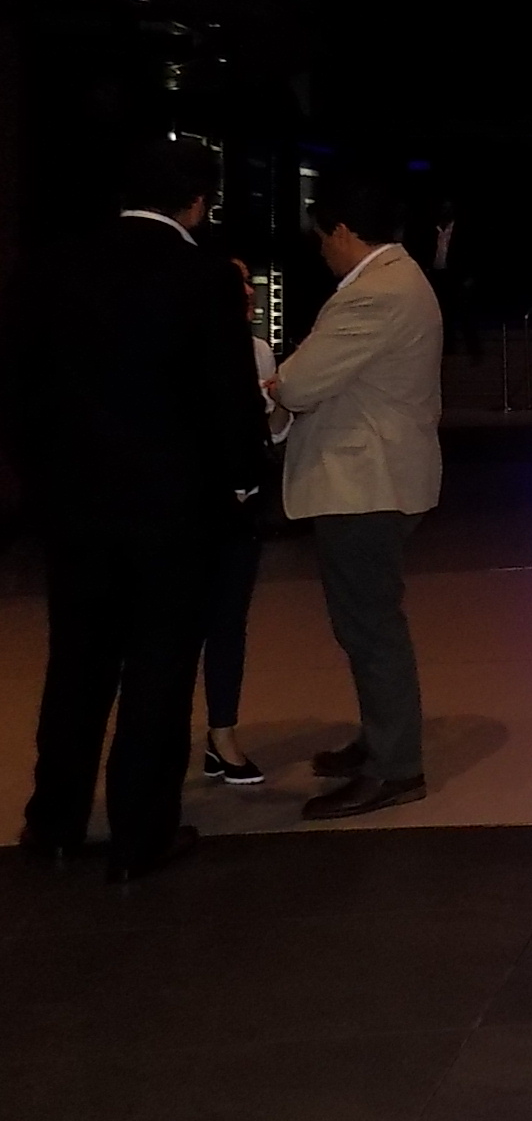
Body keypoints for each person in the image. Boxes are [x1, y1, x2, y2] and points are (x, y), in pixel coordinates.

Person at [4, 140, 267, 880]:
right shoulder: (202, 276)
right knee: (159, 668)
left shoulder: (51, 267)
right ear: (197, 201)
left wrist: (41, 480)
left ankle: (54, 821)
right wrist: (243, 483)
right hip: (173, 510)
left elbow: (19, 390)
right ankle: (138, 834)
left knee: (76, 662)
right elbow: (229, 398)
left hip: (75, 507)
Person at [272, 173, 445, 819]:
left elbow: (298, 384)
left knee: (371, 629)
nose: (321, 250)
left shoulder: (375, 292)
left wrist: (279, 381)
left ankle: (395, 768)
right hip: (377, 478)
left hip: (364, 482)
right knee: (368, 623)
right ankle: (381, 743)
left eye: (323, 238)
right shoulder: (399, 281)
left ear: (343, 231)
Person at [200, 256, 292, 786]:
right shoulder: (191, 348)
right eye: (239, 286)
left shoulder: (256, 350)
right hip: (198, 501)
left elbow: (271, 432)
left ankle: (222, 732)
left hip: (243, 502)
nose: (250, 295)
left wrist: (281, 400)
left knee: (229, 619)